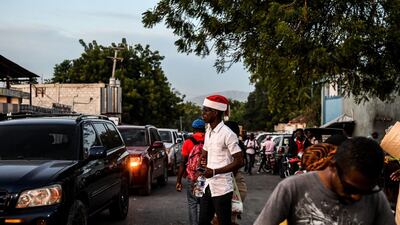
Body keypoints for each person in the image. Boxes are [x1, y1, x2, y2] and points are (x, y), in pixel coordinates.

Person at [254, 136, 395, 225]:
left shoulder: (375, 197)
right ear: (333, 167)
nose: (358, 196)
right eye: (350, 188)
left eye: (366, 190)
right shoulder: (293, 188)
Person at [198, 95, 244, 225]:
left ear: (215, 112)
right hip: (207, 185)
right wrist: (200, 163)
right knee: (202, 221)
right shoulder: (208, 132)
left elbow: (239, 161)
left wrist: (214, 171)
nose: (203, 113)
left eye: (206, 110)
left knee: (224, 222)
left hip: (222, 188)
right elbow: (205, 152)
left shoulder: (228, 134)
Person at [176, 118, 206, 225]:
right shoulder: (209, 140)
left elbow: (183, 163)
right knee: (204, 203)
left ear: (193, 129)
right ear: (204, 128)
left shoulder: (188, 142)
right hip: (206, 176)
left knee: (193, 203)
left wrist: (179, 181)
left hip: (193, 177)